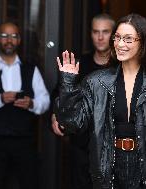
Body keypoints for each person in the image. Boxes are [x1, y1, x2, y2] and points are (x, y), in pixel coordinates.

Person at [55, 13, 146, 189]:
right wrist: (68, 84)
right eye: (118, 37)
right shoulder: (96, 81)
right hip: (108, 167)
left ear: (142, 42)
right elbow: (73, 124)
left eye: (128, 39)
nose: (120, 44)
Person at [0, 22, 50, 189]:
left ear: (19, 40)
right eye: (4, 36)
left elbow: (45, 100)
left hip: (24, 141)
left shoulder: (31, 69)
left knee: (29, 183)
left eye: (13, 36)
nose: (9, 40)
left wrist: (32, 103)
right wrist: (0, 99)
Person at [51, 13, 115, 189]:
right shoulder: (79, 65)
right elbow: (60, 94)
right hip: (81, 145)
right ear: (91, 34)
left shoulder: (120, 67)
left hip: (111, 147)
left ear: (114, 34)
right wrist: (56, 115)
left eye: (105, 32)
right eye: (96, 32)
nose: (100, 37)